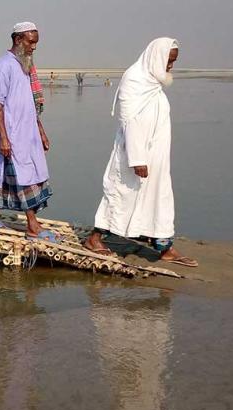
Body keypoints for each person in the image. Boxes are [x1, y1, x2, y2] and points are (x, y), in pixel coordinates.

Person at [84, 38, 198, 267]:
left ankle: (164, 247)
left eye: (173, 61)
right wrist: (137, 159)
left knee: (159, 197)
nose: (170, 66)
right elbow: (129, 121)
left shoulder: (153, 83)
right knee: (119, 195)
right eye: (169, 61)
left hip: (156, 155)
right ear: (157, 57)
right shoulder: (134, 79)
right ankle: (94, 239)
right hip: (133, 155)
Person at [0, 21, 55, 241]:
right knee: (23, 179)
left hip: (27, 133)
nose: (34, 47)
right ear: (18, 39)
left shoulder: (24, 65)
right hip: (11, 134)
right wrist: (3, 137)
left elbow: (29, 103)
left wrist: (41, 131)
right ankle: (32, 226)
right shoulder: (4, 66)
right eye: (31, 42)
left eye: (36, 43)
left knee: (10, 179)